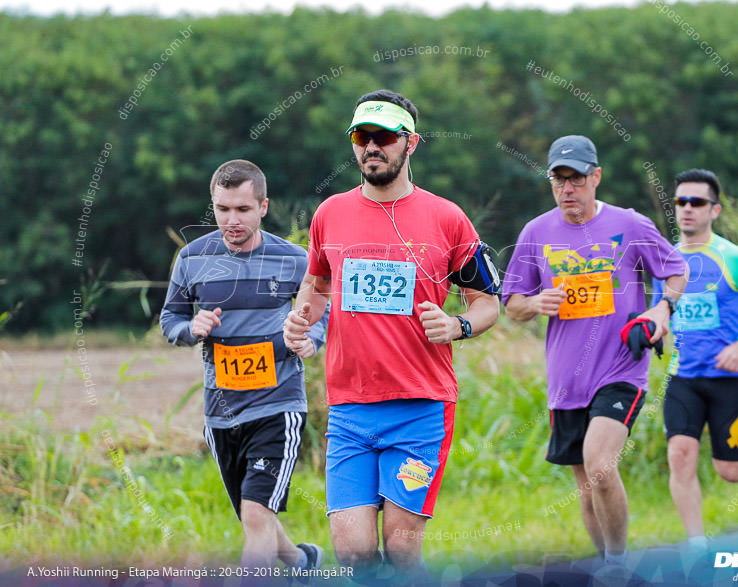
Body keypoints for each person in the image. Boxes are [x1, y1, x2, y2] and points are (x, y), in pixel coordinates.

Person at [282, 90, 500, 580]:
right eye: (362, 136)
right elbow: (317, 285)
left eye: (384, 137)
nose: (371, 147)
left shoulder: (447, 218)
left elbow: (488, 302)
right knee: (353, 552)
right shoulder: (330, 214)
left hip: (420, 409)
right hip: (349, 409)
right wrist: (302, 322)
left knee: (401, 551)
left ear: (411, 143)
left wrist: (457, 326)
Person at [502, 135, 688, 568]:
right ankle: (607, 566)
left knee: (599, 464)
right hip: (566, 381)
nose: (568, 188)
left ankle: (620, 563)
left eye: (577, 178)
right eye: (559, 179)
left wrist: (662, 309)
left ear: (596, 177)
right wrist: (535, 303)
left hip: (621, 367)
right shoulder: (536, 232)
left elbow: (676, 270)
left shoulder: (630, 224)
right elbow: (512, 305)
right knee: (587, 486)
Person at [160, 159, 328, 574]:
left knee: (255, 515)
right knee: (255, 516)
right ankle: (303, 563)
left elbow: (322, 312)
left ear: (263, 206)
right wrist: (191, 327)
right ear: (213, 206)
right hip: (220, 411)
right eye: (223, 209)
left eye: (243, 209)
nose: (232, 220)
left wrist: (311, 338)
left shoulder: (294, 259)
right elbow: (170, 320)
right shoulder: (192, 258)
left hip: (277, 406)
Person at [653, 169, 738, 551]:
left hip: (730, 379)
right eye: (681, 202)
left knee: (728, 471)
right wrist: (652, 331)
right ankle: (697, 544)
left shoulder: (732, 258)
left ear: (715, 210)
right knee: (679, 455)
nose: (687, 209)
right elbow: (660, 309)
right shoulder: (667, 259)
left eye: (697, 202)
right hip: (684, 378)